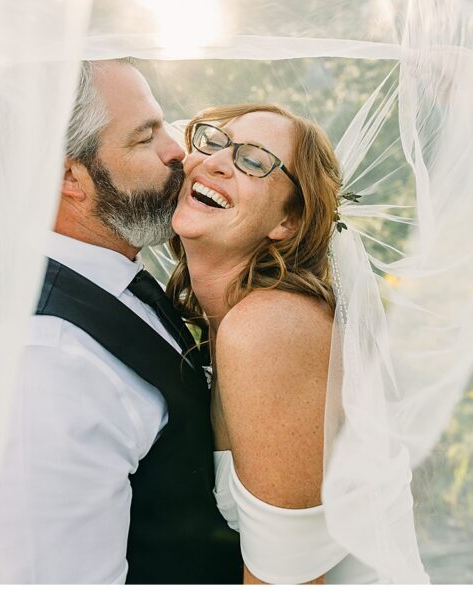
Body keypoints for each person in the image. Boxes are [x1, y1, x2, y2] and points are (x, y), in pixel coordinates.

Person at [0, 59, 241, 584]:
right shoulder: (48, 361)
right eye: (145, 139)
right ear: (69, 177)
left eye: (163, 125)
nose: (178, 150)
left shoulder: (119, 278)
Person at [169, 104, 395, 583]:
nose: (215, 161)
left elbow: (289, 582)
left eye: (254, 161)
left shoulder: (268, 327)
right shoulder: (234, 321)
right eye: (212, 141)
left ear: (287, 223)